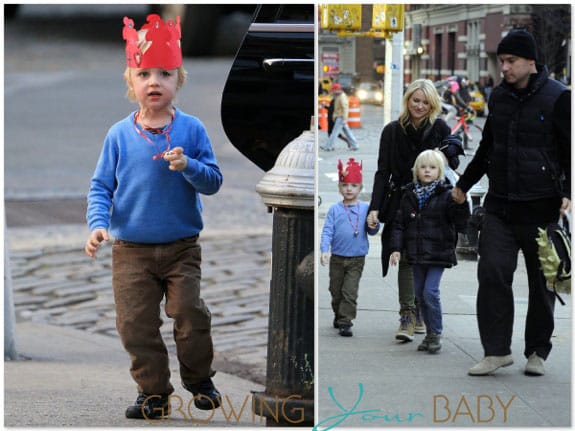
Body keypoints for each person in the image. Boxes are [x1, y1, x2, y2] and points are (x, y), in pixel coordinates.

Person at [85, 14, 224, 419]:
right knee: (135, 325)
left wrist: (189, 168)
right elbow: (100, 187)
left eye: (165, 73)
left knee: (189, 313)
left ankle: (199, 379)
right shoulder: (118, 135)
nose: (154, 81)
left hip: (182, 247)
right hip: (130, 249)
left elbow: (213, 181)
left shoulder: (192, 130)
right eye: (144, 73)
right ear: (131, 82)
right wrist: (97, 225)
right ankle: (153, 392)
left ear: (178, 80)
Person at [452, 29, 571, 377]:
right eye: (502, 61)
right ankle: (496, 351)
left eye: (511, 61)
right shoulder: (499, 97)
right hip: (500, 206)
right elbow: (488, 146)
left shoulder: (559, 97)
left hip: (541, 208)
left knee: (541, 282)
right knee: (490, 274)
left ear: (530, 63)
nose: (503, 67)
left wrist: (568, 191)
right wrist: (463, 185)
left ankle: (537, 351)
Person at [367, 79, 462, 342]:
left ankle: (421, 308)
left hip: (433, 205)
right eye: (414, 100)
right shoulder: (392, 131)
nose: (419, 106)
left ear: (432, 104)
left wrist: (451, 148)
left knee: (425, 257)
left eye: (424, 102)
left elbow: (451, 165)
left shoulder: (440, 128)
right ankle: (407, 314)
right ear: (407, 100)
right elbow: (382, 172)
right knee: (406, 257)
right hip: (401, 201)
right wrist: (375, 207)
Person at [390, 150, 470, 353]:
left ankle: (436, 333)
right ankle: (428, 334)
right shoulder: (409, 194)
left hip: (438, 253)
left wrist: (461, 204)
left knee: (430, 292)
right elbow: (399, 224)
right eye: (423, 167)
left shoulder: (446, 194)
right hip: (416, 254)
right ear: (416, 170)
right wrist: (396, 249)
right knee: (419, 294)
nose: (427, 171)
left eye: (432, 168)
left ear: (440, 171)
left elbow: (460, 222)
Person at [321, 158, 380, 337]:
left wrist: (373, 224)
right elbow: (327, 231)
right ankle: (338, 314)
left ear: (360, 188)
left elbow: (373, 230)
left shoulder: (366, 208)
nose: (349, 189)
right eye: (345, 185)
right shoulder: (334, 210)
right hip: (337, 258)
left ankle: (346, 321)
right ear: (340, 187)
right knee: (335, 290)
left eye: (354, 185)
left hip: (356, 258)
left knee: (349, 291)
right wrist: (325, 250)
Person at [320, 83, 359, 151]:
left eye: (334, 90)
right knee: (347, 132)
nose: (333, 92)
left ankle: (328, 146)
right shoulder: (338, 96)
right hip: (339, 117)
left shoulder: (342, 97)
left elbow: (345, 108)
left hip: (340, 117)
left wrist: (345, 118)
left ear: (337, 89)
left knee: (334, 133)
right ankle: (355, 145)